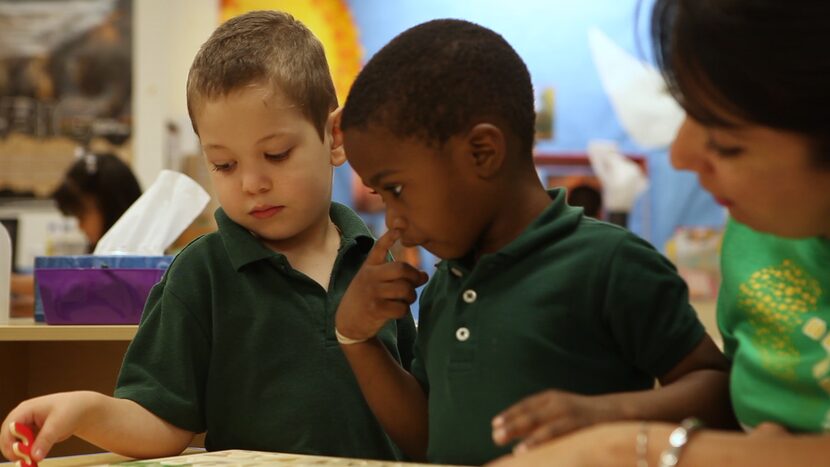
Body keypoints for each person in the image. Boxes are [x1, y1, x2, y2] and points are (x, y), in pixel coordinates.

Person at [1, 10, 414, 463]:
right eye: (224, 164)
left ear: (335, 138)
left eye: (276, 154)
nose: (251, 183)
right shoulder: (201, 274)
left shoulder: (376, 260)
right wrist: (85, 410)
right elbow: (162, 423)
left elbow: (416, 411)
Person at [332, 18, 732, 466]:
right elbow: (428, 441)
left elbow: (718, 391)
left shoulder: (611, 262)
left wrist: (610, 416)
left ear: (483, 152)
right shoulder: (446, 283)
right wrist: (356, 339)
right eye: (380, 196)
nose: (392, 219)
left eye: (397, 190)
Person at [488, 0, 830, 465]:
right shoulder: (761, 231)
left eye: (726, 144)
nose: (680, 156)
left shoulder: (616, 259)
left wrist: (628, 446)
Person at [9, 151, 142, 315]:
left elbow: (81, 286)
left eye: (81, 214)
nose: (79, 225)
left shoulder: (136, 257)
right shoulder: (104, 253)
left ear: (110, 208)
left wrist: (8, 281)